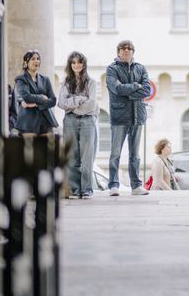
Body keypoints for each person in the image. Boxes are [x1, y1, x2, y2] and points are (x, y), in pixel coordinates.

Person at [106, 40, 151, 197]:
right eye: (123, 48)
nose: (126, 50)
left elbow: (147, 89)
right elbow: (116, 88)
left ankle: (136, 186)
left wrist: (129, 91)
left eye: (129, 48)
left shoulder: (140, 68)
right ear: (118, 52)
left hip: (138, 116)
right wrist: (135, 86)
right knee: (115, 153)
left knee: (135, 154)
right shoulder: (112, 69)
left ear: (133, 51)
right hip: (119, 117)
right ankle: (113, 185)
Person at [58, 51, 99, 199]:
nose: (77, 65)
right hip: (69, 120)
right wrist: (80, 99)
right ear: (70, 65)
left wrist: (72, 102)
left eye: (79, 62)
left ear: (84, 64)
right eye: (73, 63)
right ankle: (75, 190)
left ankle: (87, 190)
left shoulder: (92, 82)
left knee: (87, 157)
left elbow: (91, 104)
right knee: (71, 156)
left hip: (88, 121)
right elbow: (61, 103)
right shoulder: (65, 83)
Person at [14, 50, 59, 136]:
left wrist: (35, 104)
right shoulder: (21, 79)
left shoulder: (45, 79)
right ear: (26, 62)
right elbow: (27, 97)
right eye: (33, 59)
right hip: (28, 123)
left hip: (46, 121)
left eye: (38, 59)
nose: (36, 61)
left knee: (47, 149)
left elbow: (53, 100)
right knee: (29, 149)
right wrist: (42, 97)